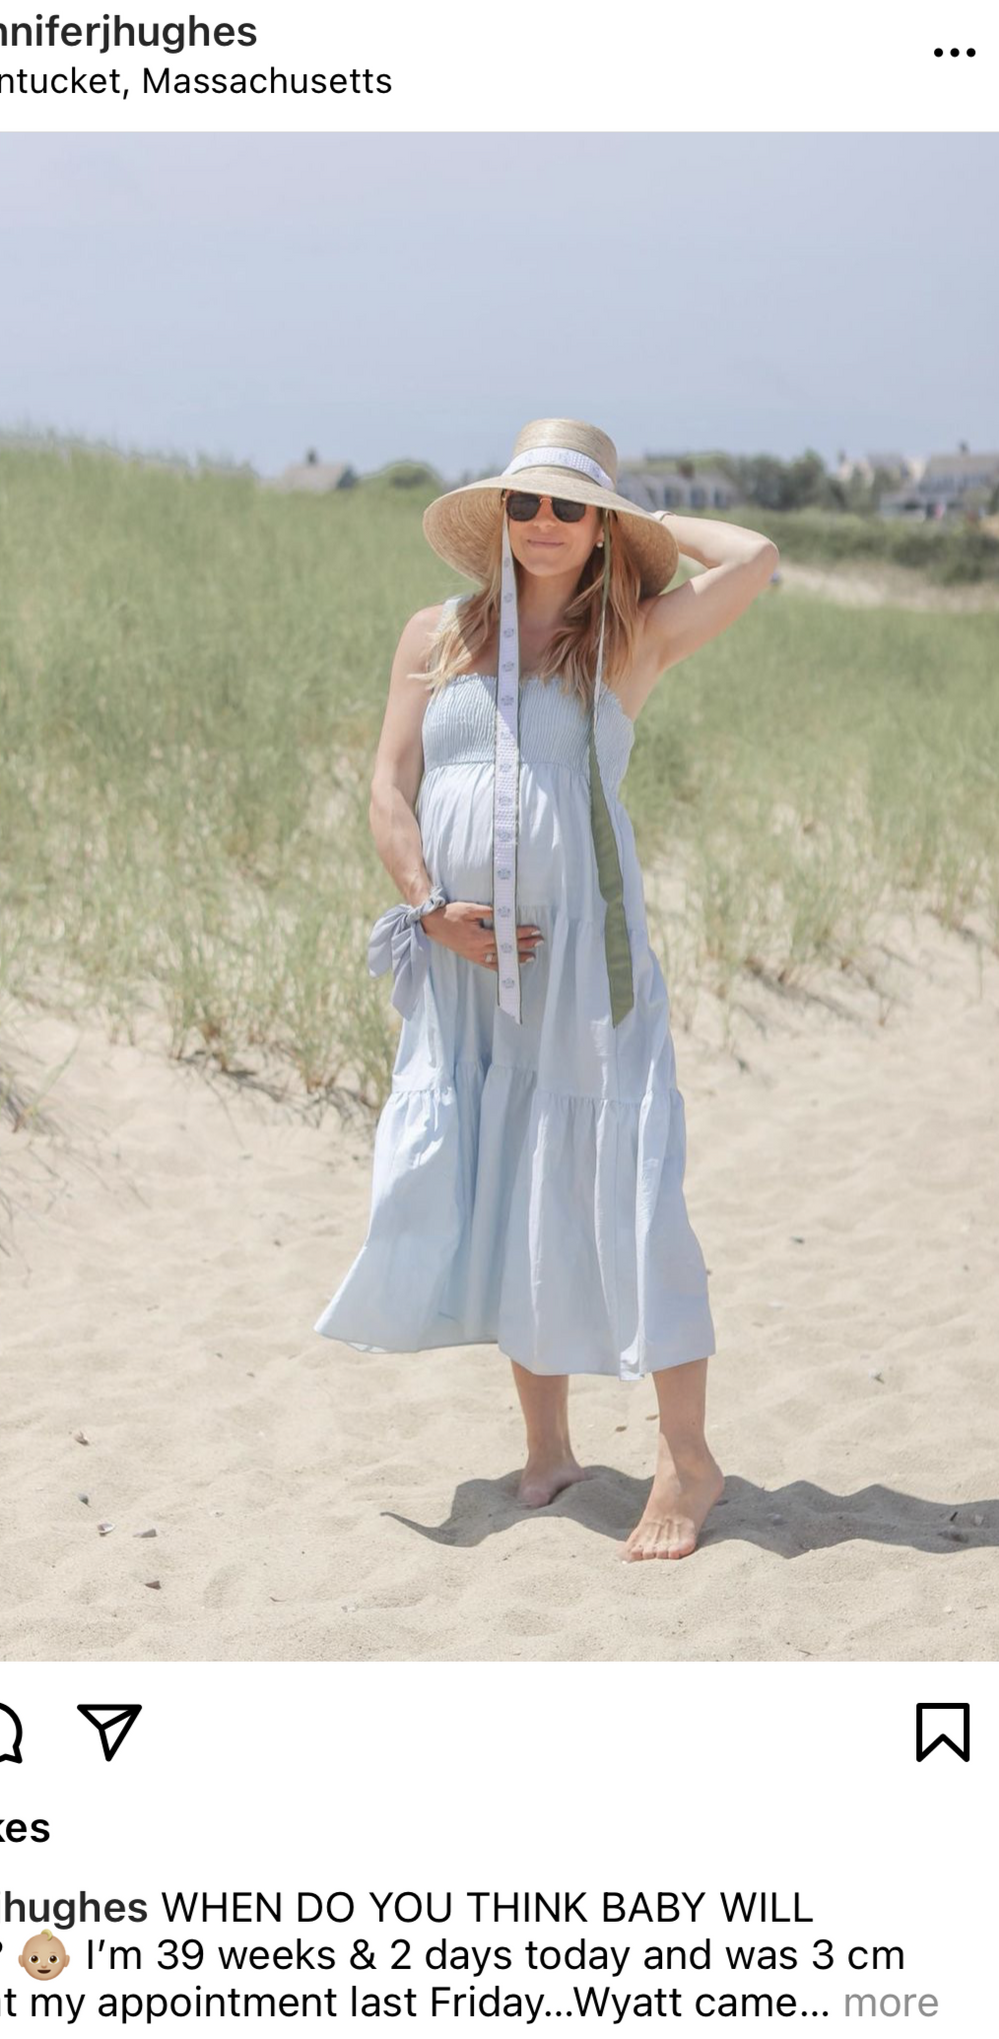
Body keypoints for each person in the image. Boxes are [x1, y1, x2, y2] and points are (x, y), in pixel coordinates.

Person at [314, 418, 779, 1561]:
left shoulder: (628, 637)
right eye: (524, 502)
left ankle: (687, 1458)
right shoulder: (437, 634)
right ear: (500, 517)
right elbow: (387, 785)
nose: (543, 523)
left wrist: (643, 522)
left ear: (600, 526)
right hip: (467, 964)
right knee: (516, 1169)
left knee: (631, 1180)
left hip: (583, 965)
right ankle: (549, 1449)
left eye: (571, 506)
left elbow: (756, 559)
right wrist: (430, 907)